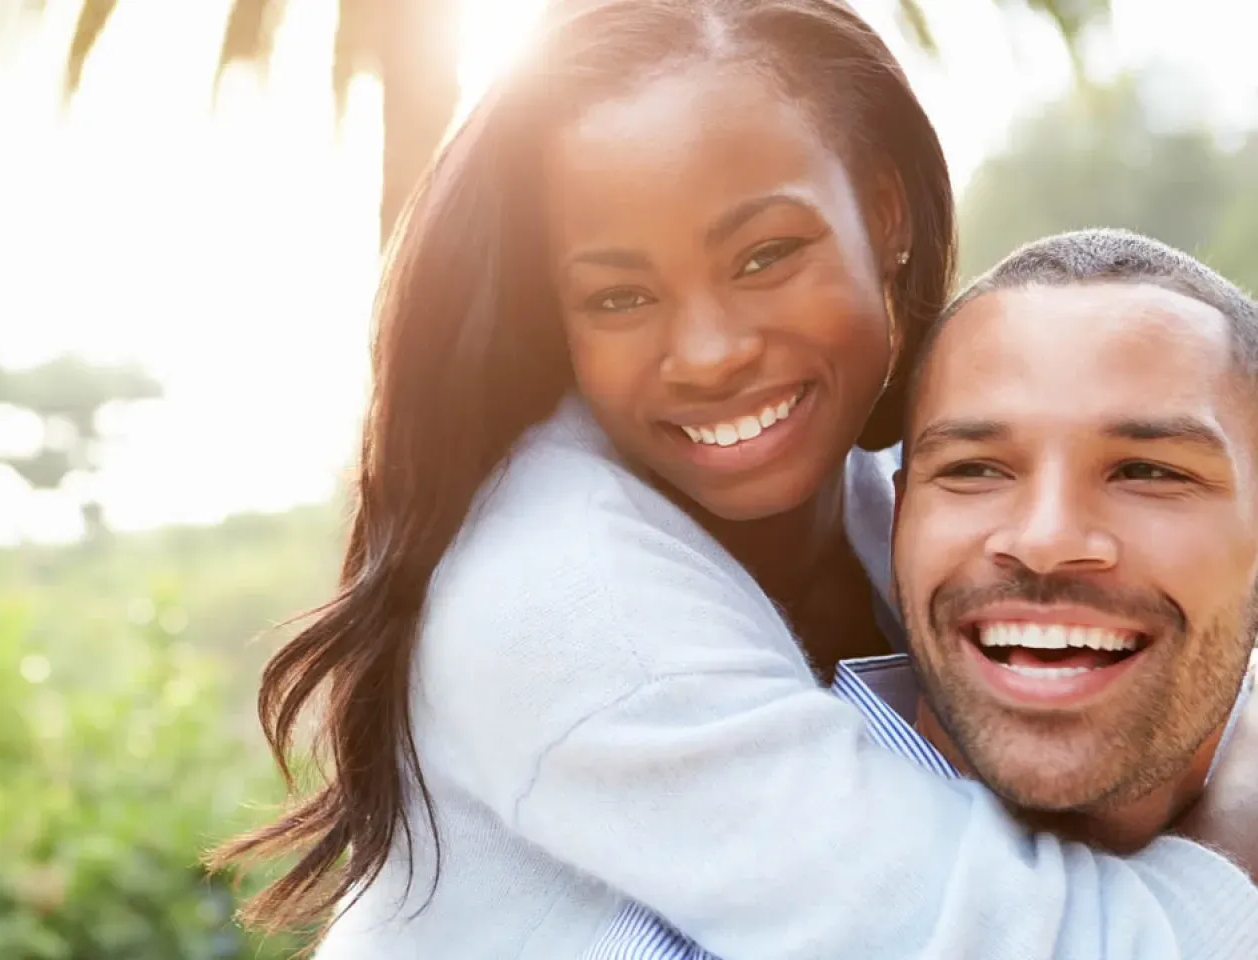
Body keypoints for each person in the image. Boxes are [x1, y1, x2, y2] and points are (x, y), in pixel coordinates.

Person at [212, 1, 1258, 956]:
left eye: (765, 256)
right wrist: (1241, 806)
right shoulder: (568, 596)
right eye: (620, 298)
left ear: (886, 215)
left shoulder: (885, 495)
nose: (709, 354)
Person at [587, 228, 1258, 958]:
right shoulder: (704, 931)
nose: (1045, 540)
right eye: (975, 469)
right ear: (900, 519)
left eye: (1148, 473)